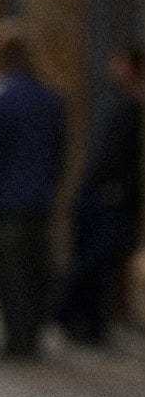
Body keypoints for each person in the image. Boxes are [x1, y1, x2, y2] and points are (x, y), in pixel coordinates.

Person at [0, 20, 68, 359]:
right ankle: (33, 334)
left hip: (2, 201)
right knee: (36, 268)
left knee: (9, 273)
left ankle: (17, 337)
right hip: (38, 199)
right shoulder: (50, 98)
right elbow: (58, 151)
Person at [56, 46, 144, 346]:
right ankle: (80, 319)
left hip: (110, 197)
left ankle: (84, 319)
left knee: (98, 262)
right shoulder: (118, 103)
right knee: (93, 262)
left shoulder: (126, 106)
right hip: (105, 196)